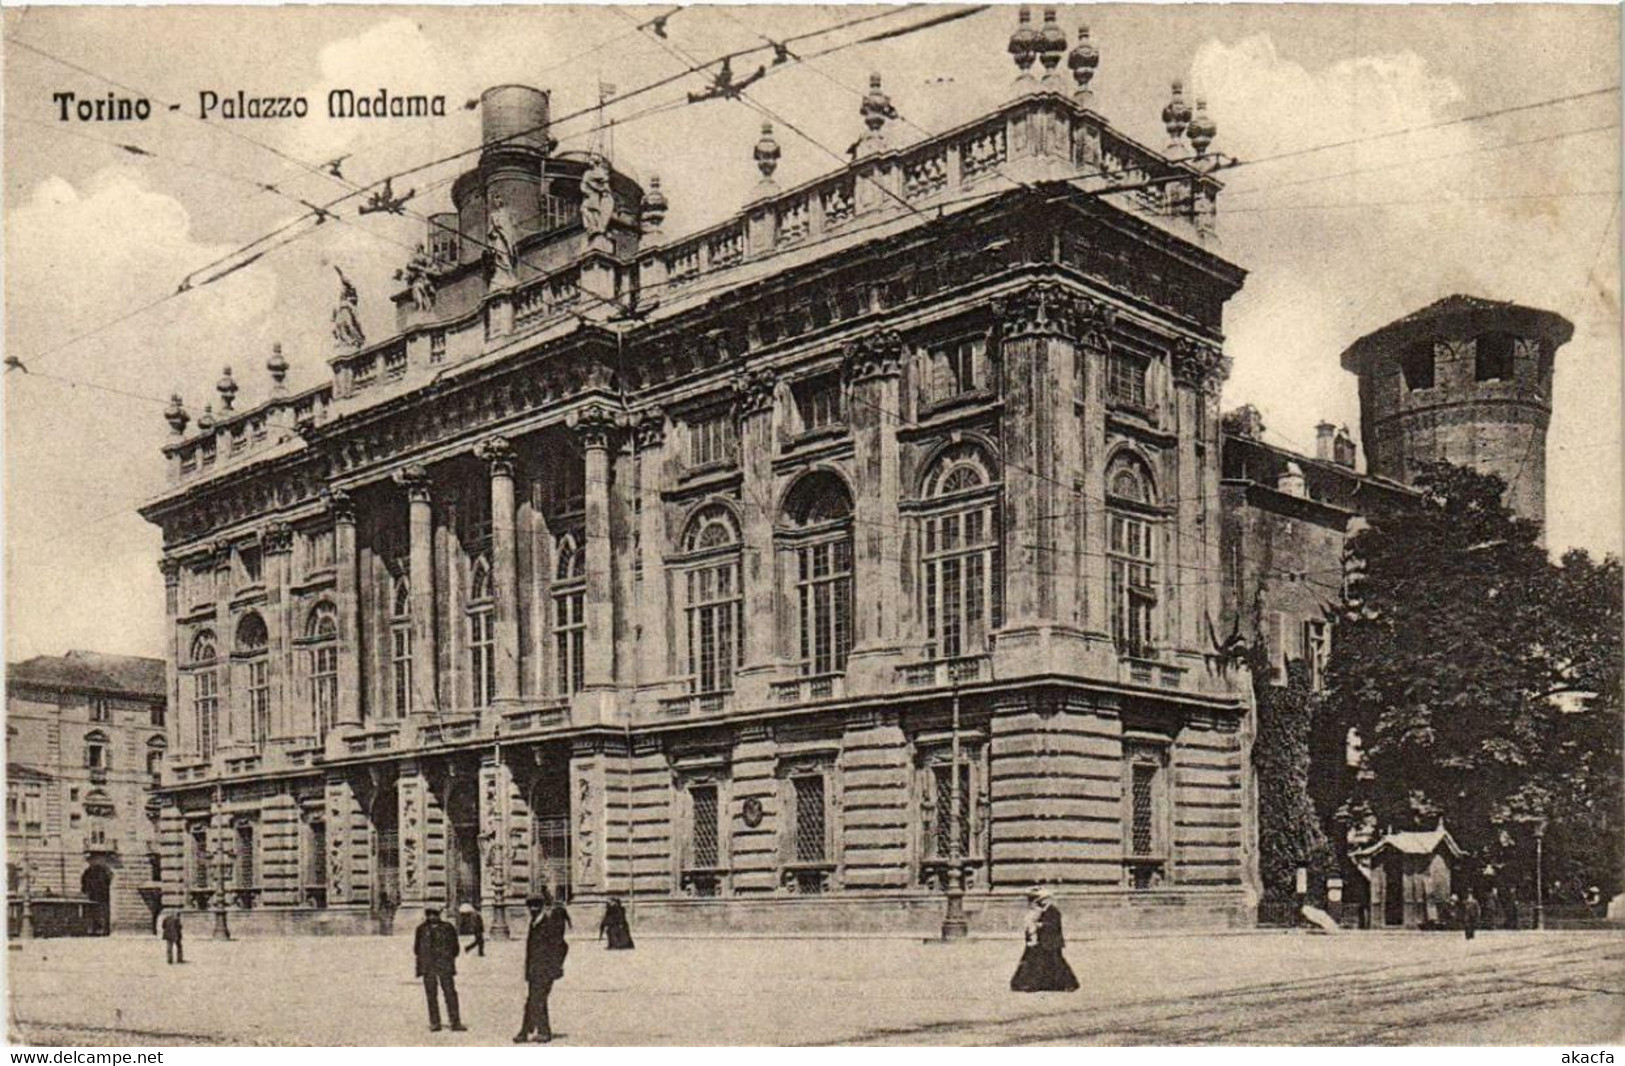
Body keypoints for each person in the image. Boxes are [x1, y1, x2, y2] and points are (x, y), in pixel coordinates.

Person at [515, 892, 570, 1043]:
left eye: (536, 906)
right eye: (530, 906)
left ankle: (537, 1032)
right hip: (534, 971)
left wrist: (555, 967)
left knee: (536, 1000)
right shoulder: (534, 923)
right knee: (535, 1000)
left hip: (545, 971)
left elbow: (563, 946)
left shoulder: (548, 923)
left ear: (541, 906)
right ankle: (530, 1030)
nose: (533, 909)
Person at [1010, 886, 1079, 993]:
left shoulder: (1053, 910)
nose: (1036, 901)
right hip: (1042, 941)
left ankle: (1068, 983)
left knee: (1057, 963)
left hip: (1051, 941)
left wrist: (1040, 925)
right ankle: (1029, 984)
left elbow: (1054, 926)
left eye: (1038, 899)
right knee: (1037, 962)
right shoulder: (1041, 911)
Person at [413, 906, 465, 1033]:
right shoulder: (421, 929)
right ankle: (435, 1023)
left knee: (450, 993)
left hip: (444, 965)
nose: (432, 917)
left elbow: (455, 947)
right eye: (430, 914)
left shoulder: (447, 928)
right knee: (431, 995)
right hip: (428, 966)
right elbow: (416, 948)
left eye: (435, 914)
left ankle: (455, 1022)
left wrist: (448, 958)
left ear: (439, 915)